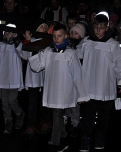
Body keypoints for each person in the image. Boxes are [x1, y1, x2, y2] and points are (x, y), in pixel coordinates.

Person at [29, 22, 90, 152]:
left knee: (57, 115)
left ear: (66, 36)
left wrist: (81, 94)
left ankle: (55, 142)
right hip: (52, 90)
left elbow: (77, 74)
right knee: (56, 113)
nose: (57, 39)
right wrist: (35, 50)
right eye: (54, 36)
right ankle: (64, 136)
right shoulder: (48, 51)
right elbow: (37, 66)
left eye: (59, 36)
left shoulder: (70, 53)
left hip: (64, 90)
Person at [77, 11, 121, 151]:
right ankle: (85, 140)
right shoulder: (87, 42)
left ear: (107, 28)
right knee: (87, 117)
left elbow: (120, 64)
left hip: (105, 87)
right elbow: (75, 56)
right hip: (88, 87)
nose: (98, 30)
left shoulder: (113, 45)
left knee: (104, 118)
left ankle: (100, 139)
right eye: (96, 27)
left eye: (102, 27)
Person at [0, 23, 25, 134]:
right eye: (6, 32)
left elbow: (20, 51)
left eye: (9, 32)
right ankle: (8, 121)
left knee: (12, 100)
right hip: (2, 77)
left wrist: (16, 38)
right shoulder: (1, 45)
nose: (7, 34)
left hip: (13, 78)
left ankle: (20, 114)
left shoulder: (17, 45)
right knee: (4, 102)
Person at [21, 18, 53, 139]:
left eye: (45, 26)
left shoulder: (49, 41)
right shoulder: (31, 41)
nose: (43, 29)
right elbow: (24, 56)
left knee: (46, 102)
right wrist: (27, 41)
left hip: (46, 77)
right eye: (41, 27)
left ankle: (45, 122)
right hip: (33, 77)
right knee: (32, 103)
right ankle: (31, 125)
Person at [65, 22, 87, 138]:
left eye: (76, 33)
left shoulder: (84, 47)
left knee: (75, 104)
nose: (73, 35)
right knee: (67, 101)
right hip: (67, 79)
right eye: (72, 32)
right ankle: (67, 120)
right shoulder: (67, 45)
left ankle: (75, 124)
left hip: (78, 79)